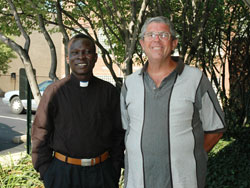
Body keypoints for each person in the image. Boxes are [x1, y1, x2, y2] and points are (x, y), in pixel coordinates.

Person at [120, 16, 226, 188]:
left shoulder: (195, 79)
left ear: (174, 43)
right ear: (141, 43)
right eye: (150, 34)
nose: (156, 39)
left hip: (184, 182)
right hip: (137, 182)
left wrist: (190, 157)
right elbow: (127, 129)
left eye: (163, 35)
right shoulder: (130, 83)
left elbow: (215, 129)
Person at [32, 34, 125, 188]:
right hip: (62, 174)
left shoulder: (109, 92)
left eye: (87, 52)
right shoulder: (54, 91)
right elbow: (40, 131)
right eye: (75, 53)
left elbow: (118, 133)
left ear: (95, 57)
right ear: (68, 58)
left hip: (102, 174)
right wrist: (46, 171)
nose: (81, 57)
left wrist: (114, 168)